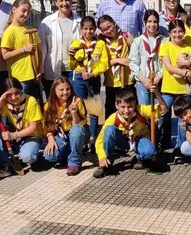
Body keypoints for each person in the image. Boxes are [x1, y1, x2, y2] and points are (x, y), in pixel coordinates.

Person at [93, 88, 167, 179]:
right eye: (123, 107)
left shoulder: (141, 110)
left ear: (135, 104)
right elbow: (99, 140)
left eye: (130, 106)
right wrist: (102, 157)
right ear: (116, 105)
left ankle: (139, 158)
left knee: (149, 152)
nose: (127, 111)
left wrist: (156, 92)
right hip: (123, 141)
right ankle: (106, 163)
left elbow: (164, 109)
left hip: (139, 140)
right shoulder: (113, 119)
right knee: (109, 130)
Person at [159, 19, 191, 156]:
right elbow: (169, 67)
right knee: (162, 115)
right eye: (174, 31)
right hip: (168, 89)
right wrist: (185, 72)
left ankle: (180, 148)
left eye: (180, 31)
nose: (177, 34)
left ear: (184, 32)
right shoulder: (165, 46)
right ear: (170, 33)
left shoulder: (188, 48)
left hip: (183, 91)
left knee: (182, 121)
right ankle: (159, 142)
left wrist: (189, 68)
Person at [69, 16, 108, 151]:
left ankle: (93, 137)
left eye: (91, 28)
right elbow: (71, 64)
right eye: (85, 29)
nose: (88, 32)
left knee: (93, 109)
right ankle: (82, 138)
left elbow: (104, 63)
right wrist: (71, 57)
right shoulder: (76, 44)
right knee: (80, 108)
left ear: (95, 29)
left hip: (93, 78)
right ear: (81, 30)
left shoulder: (100, 44)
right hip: (79, 78)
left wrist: (93, 73)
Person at [0, 77, 44, 167]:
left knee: (27, 157)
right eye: (9, 95)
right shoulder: (5, 103)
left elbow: (33, 128)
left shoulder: (31, 101)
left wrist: (13, 136)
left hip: (32, 136)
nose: (13, 97)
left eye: (17, 93)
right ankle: (3, 158)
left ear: (21, 90)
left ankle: (38, 150)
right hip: (17, 136)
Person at [39, 0, 81, 96]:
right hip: (52, 69)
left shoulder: (80, 22)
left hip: (74, 69)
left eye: (67, 0)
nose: (64, 3)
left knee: (74, 102)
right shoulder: (47, 22)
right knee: (53, 103)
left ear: (72, 1)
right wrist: (41, 69)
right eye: (61, 0)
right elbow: (42, 48)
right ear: (56, 3)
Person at [1, 0, 44, 104]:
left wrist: (39, 70)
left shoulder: (30, 30)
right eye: (23, 11)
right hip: (20, 77)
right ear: (14, 9)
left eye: (28, 12)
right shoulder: (9, 32)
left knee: (35, 106)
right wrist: (24, 49)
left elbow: (39, 53)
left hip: (33, 76)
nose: (26, 14)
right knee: (21, 107)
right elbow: (5, 55)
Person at [42, 77, 88, 176]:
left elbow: (79, 126)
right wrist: (51, 140)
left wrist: (74, 113)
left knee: (76, 130)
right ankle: (66, 154)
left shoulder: (77, 101)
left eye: (68, 89)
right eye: (61, 90)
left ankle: (74, 162)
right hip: (61, 135)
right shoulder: (48, 105)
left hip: (78, 132)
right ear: (54, 90)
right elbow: (47, 127)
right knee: (49, 155)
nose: (65, 92)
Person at [98, 15, 132, 120]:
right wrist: (117, 60)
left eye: (109, 27)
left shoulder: (125, 36)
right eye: (104, 30)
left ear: (114, 23)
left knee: (128, 108)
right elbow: (101, 63)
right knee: (111, 109)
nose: (108, 31)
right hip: (111, 82)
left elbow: (134, 55)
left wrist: (132, 44)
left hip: (127, 81)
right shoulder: (102, 42)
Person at [129, 10, 165, 105]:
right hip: (143, 80)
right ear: (145, 22)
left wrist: (158, 77)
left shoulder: (164, 40)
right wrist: (143, 79)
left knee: (158, 111)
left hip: (159, 81)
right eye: (149, 21)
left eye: (155, 22)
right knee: (144, 110)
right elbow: (133, 62)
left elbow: (165, 62)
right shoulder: (138, 41)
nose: (152, 24)